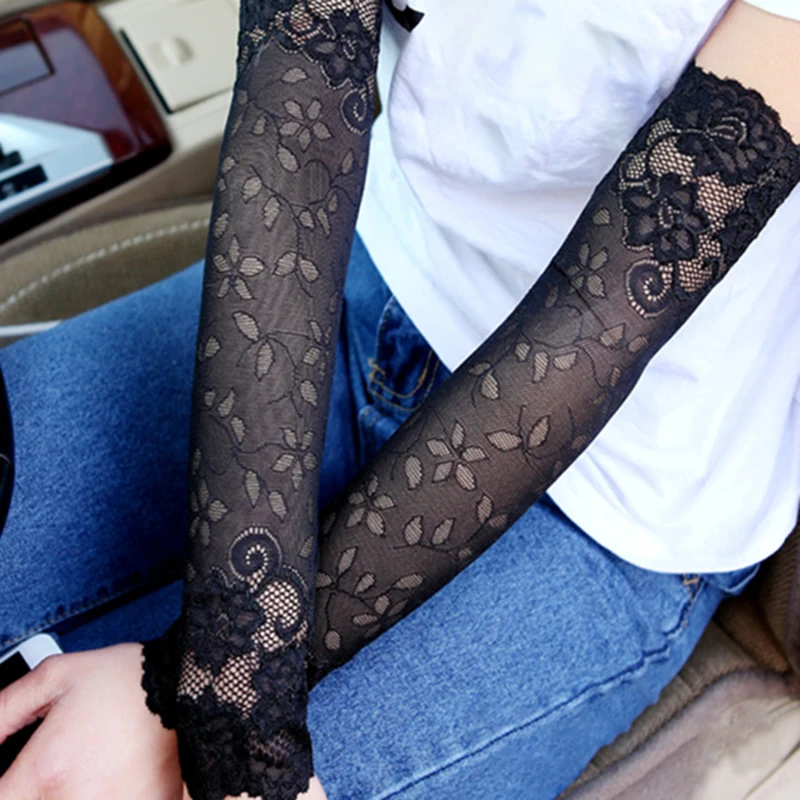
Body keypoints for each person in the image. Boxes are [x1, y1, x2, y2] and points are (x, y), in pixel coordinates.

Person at [1, 1, 800, 798]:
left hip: (616, 482)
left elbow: (603, 313)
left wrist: (227, 706)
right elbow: (296, 132)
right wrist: (221, 672)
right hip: (367, 267)